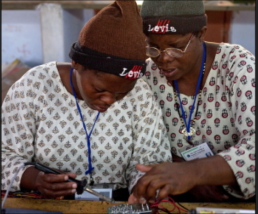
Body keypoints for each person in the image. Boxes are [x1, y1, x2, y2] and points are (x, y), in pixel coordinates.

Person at [1, 0, 172, 201]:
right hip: (47, 205)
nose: (109, 100)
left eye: (121, 95)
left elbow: (151, 159)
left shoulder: (140, 93)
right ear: (77, 63)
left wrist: (142, 189)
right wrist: (36, 179)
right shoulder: (35, 86)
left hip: (117, 204)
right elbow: (5, 155)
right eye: (100, 90)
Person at [129, 0, 255, 203]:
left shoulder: (238, 67)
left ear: (201, 33)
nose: (163, 59)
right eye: (153, 48)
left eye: (176, 47)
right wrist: (159, 178)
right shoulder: (148, 76)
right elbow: (142, 148)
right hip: (176, 201)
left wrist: (193, 172)